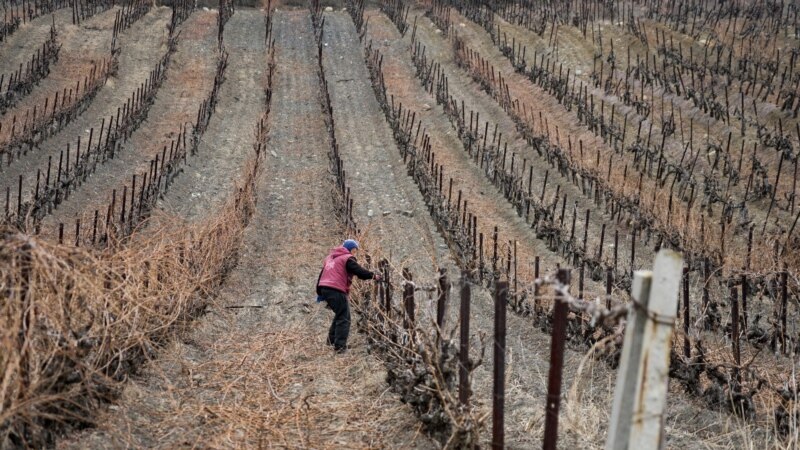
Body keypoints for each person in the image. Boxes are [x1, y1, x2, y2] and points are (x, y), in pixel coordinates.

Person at [316, 239, 381, 353]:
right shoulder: (347, 258)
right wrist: (373, 276)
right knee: (345, 318)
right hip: (336, 289)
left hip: (325, 288)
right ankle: (340, 347)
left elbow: (322, 275)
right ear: (350, 248)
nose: (354, 253)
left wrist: (320, 293)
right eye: (354, 249)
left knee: (340, 314)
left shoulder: (331, 258)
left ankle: (330, 342)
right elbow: (359, 272)